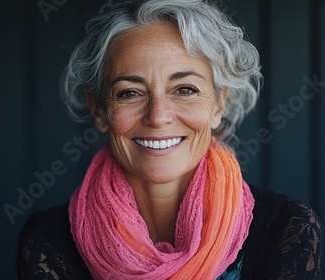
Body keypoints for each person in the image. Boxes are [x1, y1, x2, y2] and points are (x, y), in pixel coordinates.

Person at [17, 0, 323, 279]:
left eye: (185, 89)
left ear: (219, 104)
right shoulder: (48, 239)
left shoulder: (286, 229)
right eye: (130, 92)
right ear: (99, 110)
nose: (158, 116)